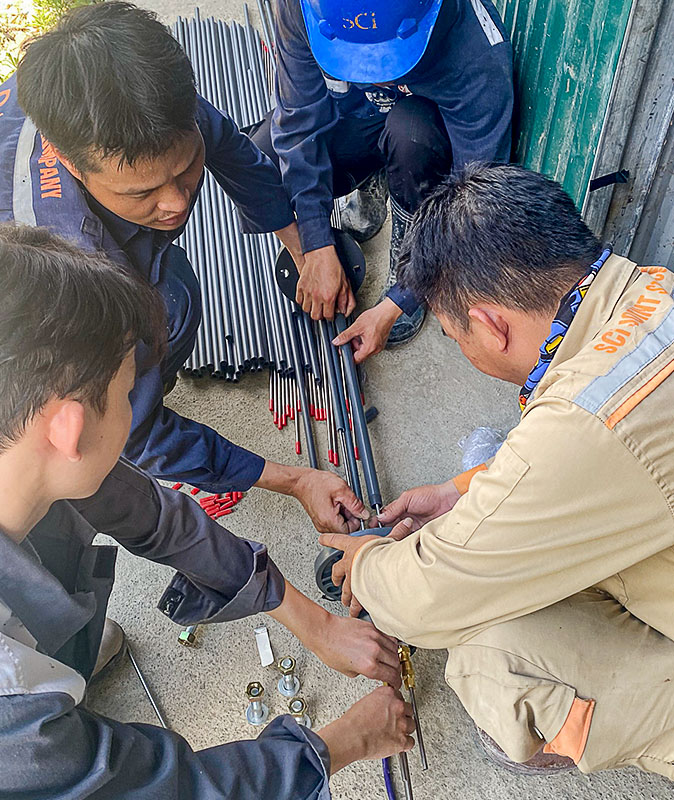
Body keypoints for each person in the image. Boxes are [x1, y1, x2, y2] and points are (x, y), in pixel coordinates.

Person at [0, 223, 415, 799]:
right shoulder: (16, 732)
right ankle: (51, 668)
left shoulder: (24, 449)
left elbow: (156, 517)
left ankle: (58, 653)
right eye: (128, 395)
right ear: (68, 429)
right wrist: (345, 741)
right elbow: (172, 791)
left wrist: (313, 622)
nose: (135, 411)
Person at [320, 164, 674, 780]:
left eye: (457, 336)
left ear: (489, 324)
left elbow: (424, 600)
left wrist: (367, 564)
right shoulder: (650, 290)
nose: (465, 350)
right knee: (496, 475)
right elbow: (586, 466)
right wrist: (463, 493)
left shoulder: (583, 427)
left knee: (486, 652)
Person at [0, 1, 365, 536]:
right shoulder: (73, 273)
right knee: (132, 382)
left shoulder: (140, 97)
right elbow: (139, 433)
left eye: (185, 169)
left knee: (176, 298)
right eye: (143, 192)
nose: (176, 204)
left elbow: (237, 157)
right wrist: (294, 480)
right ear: (74, 165)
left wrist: (308, 247)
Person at [251, 0, 513, 355]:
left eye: (384, 57)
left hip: (421, 135)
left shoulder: (476, 52)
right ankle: (377, 179)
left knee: (410, 133)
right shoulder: (306, 7)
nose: (371, 70)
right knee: (263, 154)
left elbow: (473, 196)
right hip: (354, 118)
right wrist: (315, 245)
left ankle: (406, 242)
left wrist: (402, 297)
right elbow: (297, 126)